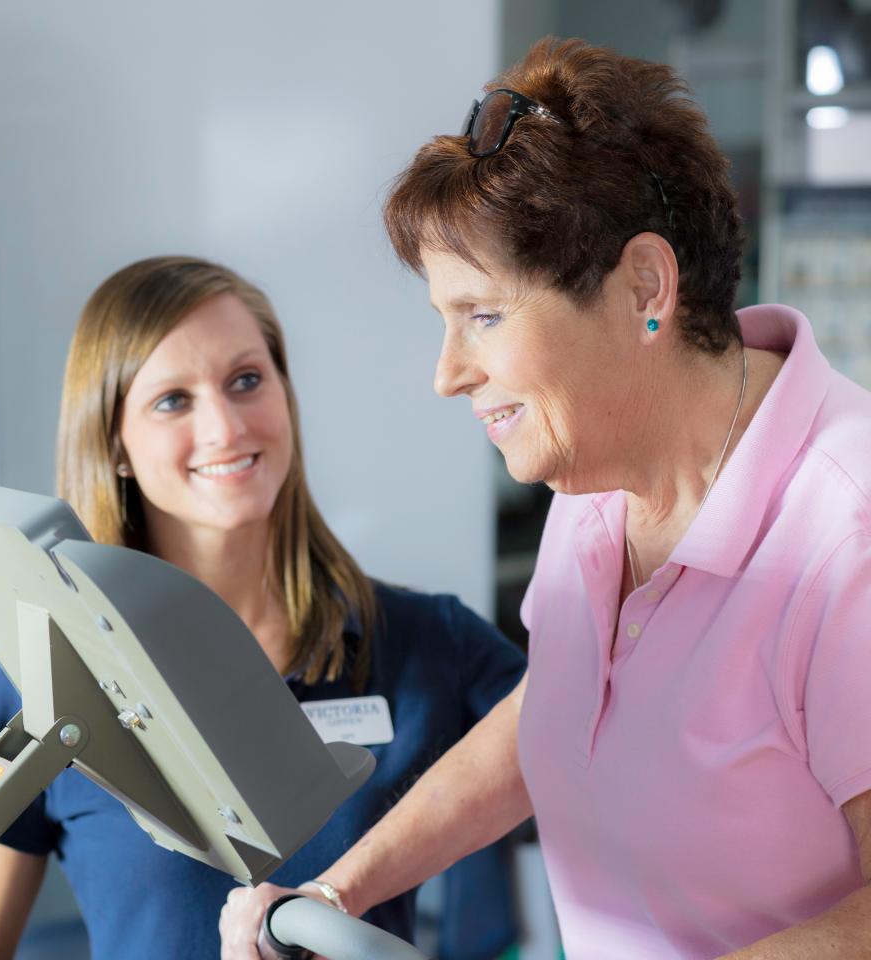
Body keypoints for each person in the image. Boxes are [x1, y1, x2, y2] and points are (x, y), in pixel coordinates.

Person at [221, 37, 871, 960]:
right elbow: (552, 710)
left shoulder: (848, 534)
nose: (447, 373)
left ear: (644, 287)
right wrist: (339, 890)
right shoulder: (600, 467)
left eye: (482, 315)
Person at [0, 255, 526, 959]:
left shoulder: (428, 643)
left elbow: (597, 757)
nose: (227, 427)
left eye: (246, 381)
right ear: (115, 445)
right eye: (173, 400)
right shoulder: (40, 675)